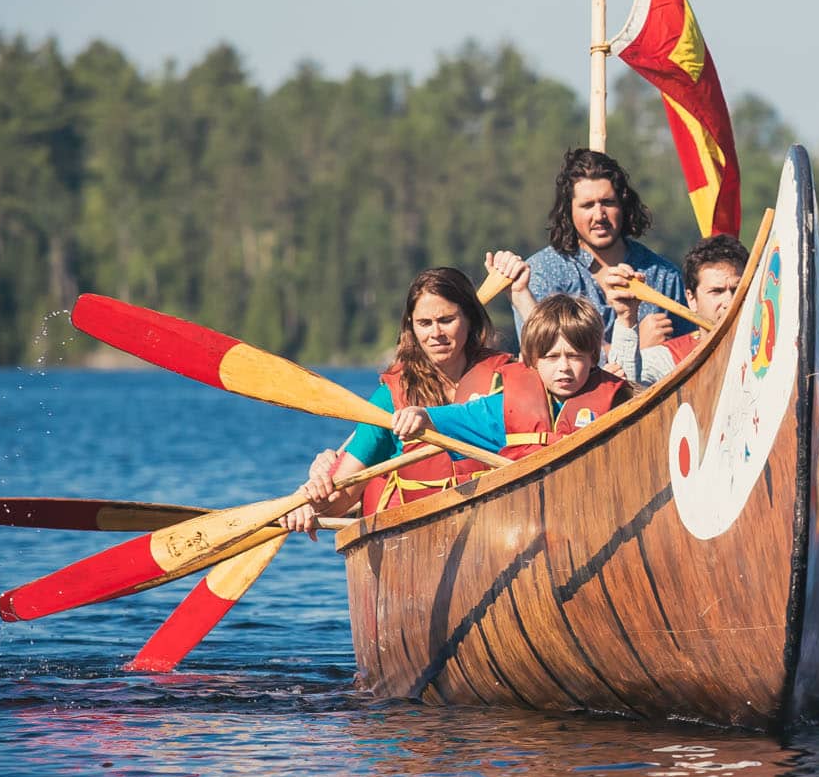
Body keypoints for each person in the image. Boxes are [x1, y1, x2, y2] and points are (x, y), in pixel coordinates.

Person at [283, 265, 517, 533]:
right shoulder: (390, 398)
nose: (435, 334)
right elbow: (343, 498)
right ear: (411, 327)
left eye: (446, 320)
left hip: (496, 528)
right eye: (424, 323)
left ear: (471, 320)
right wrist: (313, 502)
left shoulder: (504, 380)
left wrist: (519, 294)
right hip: (418, 538)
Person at [387, 294, 631, 461]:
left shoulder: (616, 401)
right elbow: (455, 417)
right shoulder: (504, 409)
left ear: (593, 357)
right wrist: (420, 414)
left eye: (575, 357)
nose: (564, 367)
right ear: (532, 361)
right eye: (552, 357)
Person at [507, 148, 689, 347]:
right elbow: (544, 354)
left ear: (624, 205)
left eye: (608, 203)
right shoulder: (541, 272)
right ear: (569, 211)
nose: (599, 215)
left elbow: (687, 352)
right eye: (587, 205)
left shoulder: (664, 276)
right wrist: (638, 347)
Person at [605, 233, 749, 387]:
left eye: (737, 289)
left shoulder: (772, 344)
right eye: (716, 291)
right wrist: (627, 317)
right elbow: (626, 388)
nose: (729, 301)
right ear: (691, 299)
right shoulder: (669, 358)